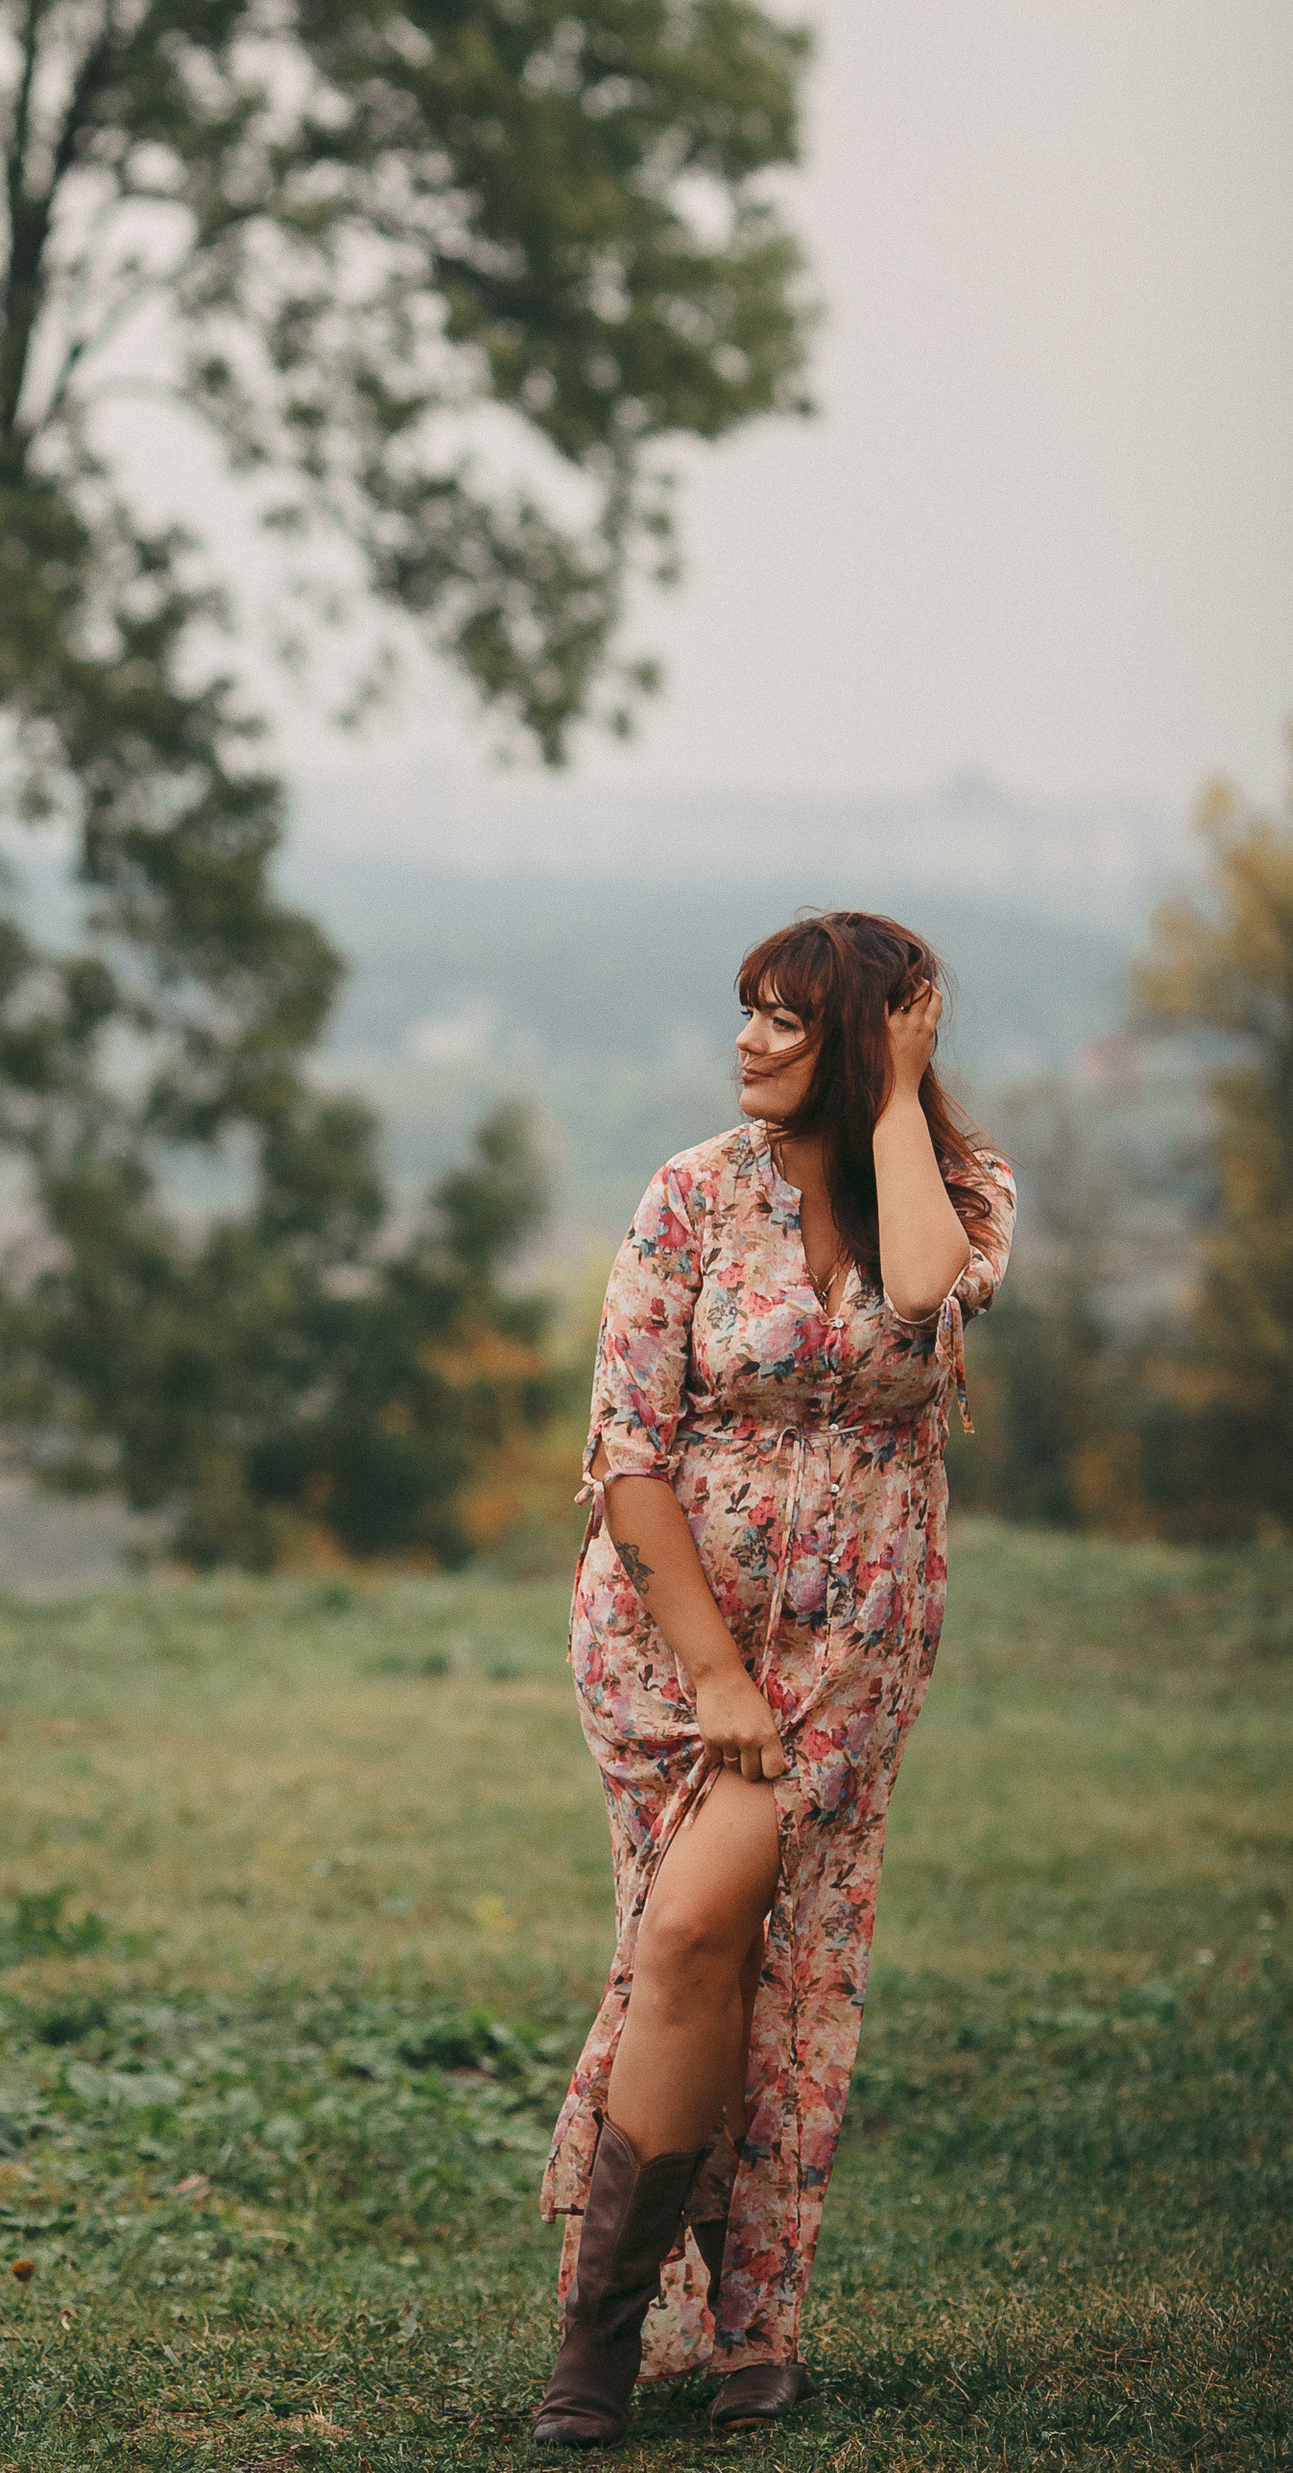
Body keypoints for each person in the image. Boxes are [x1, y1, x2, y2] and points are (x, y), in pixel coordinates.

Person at [531, 909, 1015, 2444]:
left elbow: (926, 1294)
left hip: (857, 1651)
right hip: (674, 1648)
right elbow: (625, 1452)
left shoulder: (956, 1186)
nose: (747, 1039)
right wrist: (718, 1678)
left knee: (760, 1965)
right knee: (692, 1947)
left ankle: (681, 2346)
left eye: (788, 1020)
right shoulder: (689, 1196)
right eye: (745, 1011)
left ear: (867, 1039)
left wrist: (894, 1110)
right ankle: (653, 2345)